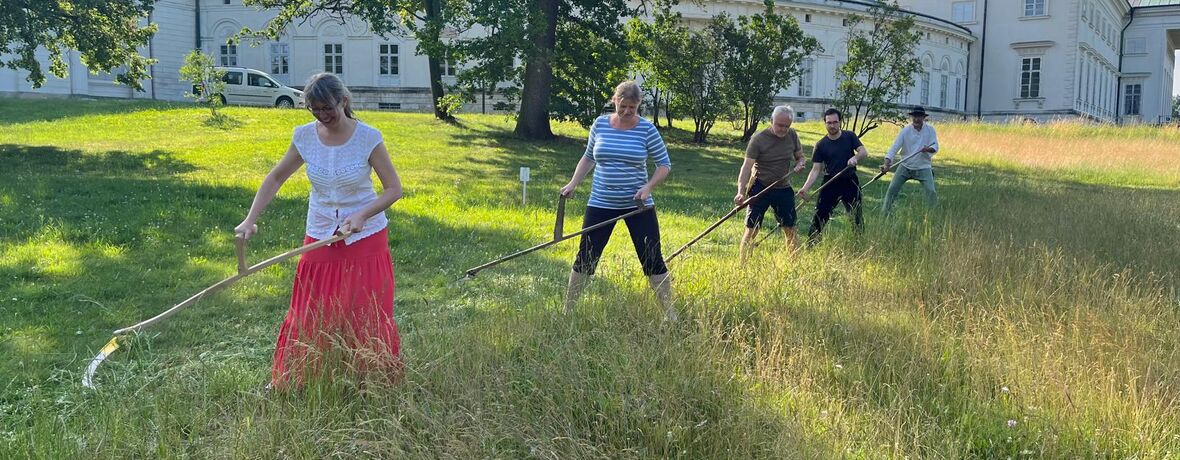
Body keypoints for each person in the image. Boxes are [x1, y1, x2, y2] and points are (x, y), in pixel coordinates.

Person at [234, 73, 404, 388]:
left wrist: (361, 216)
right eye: (316, 110)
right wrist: (250, 219)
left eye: (328, 108)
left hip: (366, 238)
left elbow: (393, 189)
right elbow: (275, 179)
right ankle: (292, 380)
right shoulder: (304, 137)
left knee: (364, 309)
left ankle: (374, 380)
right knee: (308, 309)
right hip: (321, 234)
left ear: (344, 101)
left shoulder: (368, 137)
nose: (323, 116)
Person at [560, 80, 676, 321]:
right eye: (622, 106)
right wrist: (573, 183)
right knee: (586, 256)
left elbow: (664, 165)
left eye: (632, 108)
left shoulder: (646, 130)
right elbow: (589, 157)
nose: (626, 112)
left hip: (638, 206)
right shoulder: (600, 124)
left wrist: (648, 186)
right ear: (615, 101)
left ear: (638, 106)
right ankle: (567, 312)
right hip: (601, 202)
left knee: (652, 257)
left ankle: (670, 314)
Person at [734, 105, 806, 259]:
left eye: (787, 126)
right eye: (779, 125)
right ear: (771, 120)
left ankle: (794, 263)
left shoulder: (792, 135)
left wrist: (800, 163)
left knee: (790, 228)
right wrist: (740, 192)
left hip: (783, 187)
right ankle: (742, 265)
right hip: (761, 186)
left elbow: (800, 156)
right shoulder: (758, 139)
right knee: (752, 228)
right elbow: (746, 167)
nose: (783, 129)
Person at [797, 108, 868, 245]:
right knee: (821, 214)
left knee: (856, 215)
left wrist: (855, 158)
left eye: (835, 122)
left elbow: (864, 152)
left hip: (850, 181)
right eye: (829, 122)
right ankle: (811, 244)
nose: (832, 125)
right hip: (830, 182)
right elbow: (816, 170)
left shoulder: (849, 136)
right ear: (825, 123)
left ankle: (859, 244)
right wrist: (805, 188)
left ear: (840, 122)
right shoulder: (821, 145)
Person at [881, 106, 939, 213]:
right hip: (905, 165)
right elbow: (894, 148)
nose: (917, 119)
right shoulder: (906, 130)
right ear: (912, 117)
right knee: (892, 190)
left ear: (923, 118)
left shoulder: (930, 130)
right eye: (915, 116)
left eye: (919, 117)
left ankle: (933, 215)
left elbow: (935, 147)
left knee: (931, 192)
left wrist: (928, 149)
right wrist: (886, 164)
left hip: (923, 166)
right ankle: (885, 214)